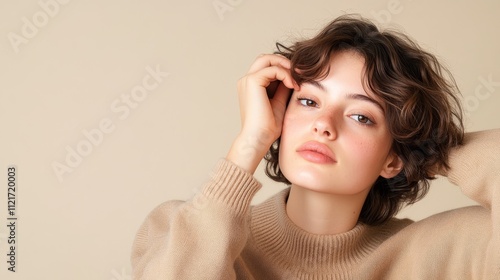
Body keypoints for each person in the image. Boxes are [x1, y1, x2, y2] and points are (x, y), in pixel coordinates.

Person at [131, 14, 499, 279]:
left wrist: (428, 147)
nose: (324, 124)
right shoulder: (182, 234)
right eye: (309, 102)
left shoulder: (450, 252)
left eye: (361, 116)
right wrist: (250, 143)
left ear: (393, 158)